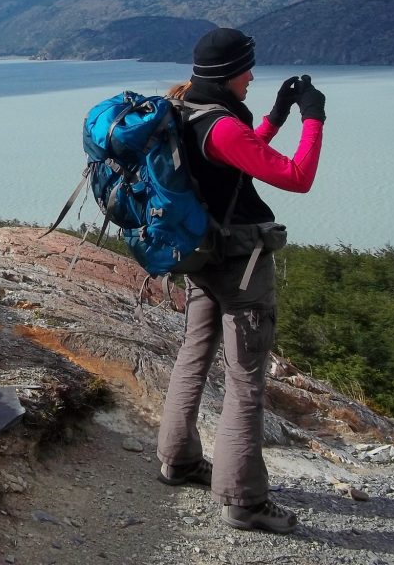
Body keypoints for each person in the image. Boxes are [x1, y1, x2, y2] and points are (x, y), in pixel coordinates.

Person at [155, 27, 325, 534]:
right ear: (229, 73)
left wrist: (276, 114)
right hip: (240, 265)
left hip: (200, 257)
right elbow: (297, 176)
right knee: (246, 378)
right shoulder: (221, 125)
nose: (252, 76)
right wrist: (314, 117)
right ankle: (243, 500)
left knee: (193, 354)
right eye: (247, 69)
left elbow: (236, 157)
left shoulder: (185, 110)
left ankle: (177, 461)